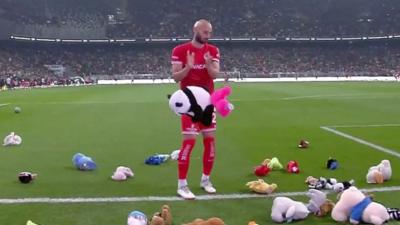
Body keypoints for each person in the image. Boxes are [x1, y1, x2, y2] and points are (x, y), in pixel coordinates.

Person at [170, 19, 220, 199]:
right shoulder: (180, 50)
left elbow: (215, 74)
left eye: (210, 32)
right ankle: (182, 185)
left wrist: (207, 65)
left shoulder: (213, 51)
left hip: (208, 103)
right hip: (189, 105)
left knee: (210, 142)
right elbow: (175, 77)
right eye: (205, 32)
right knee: (189, 143)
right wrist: (188, 68)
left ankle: (206, 180)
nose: (208, 35)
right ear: (195, 30)